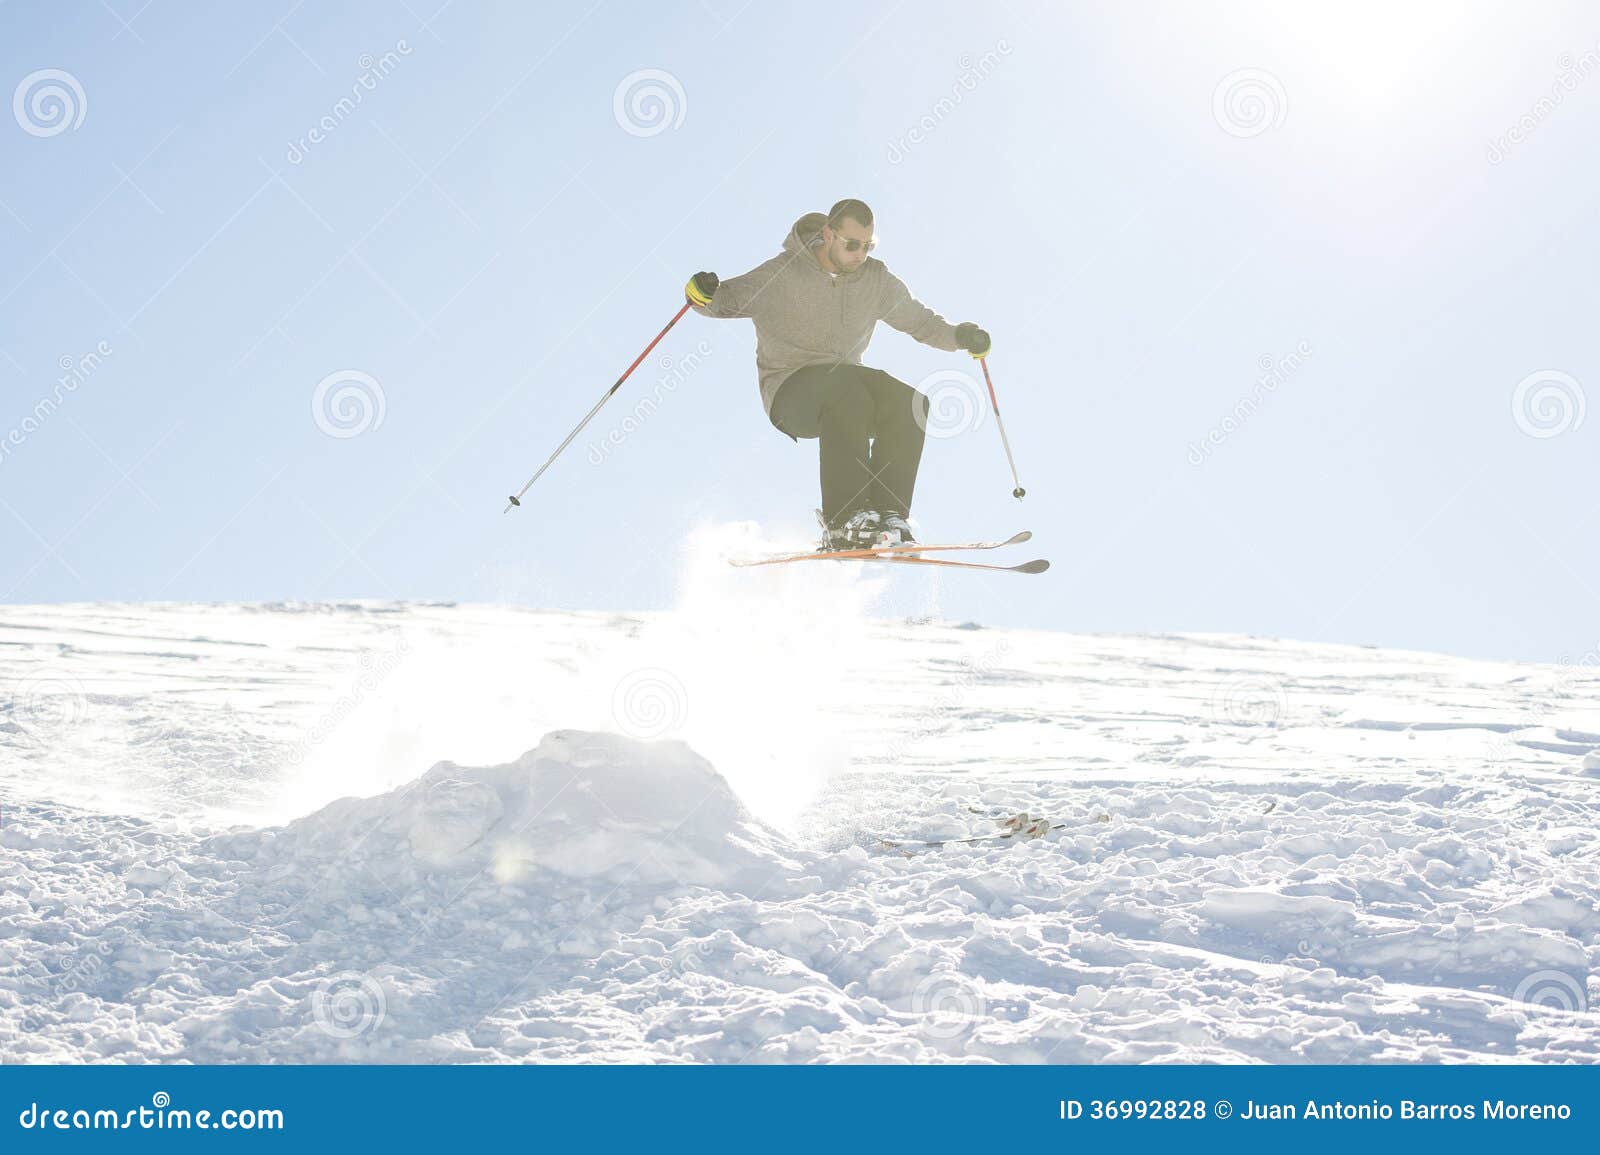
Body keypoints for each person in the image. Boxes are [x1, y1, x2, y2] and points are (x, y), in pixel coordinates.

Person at [686, 198, 990, 551]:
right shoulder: (783, 273)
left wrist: (960, 337)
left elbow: (919, 321)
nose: (860, 254)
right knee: (848, 389)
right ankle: (844, 520)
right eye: (851, 244)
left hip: (845, 392)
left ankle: (888, 516)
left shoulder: (875, 280)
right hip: (789, 392)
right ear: (829, 235)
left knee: (912, 403)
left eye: (867, 245)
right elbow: (724, 301)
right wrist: (702, 294)